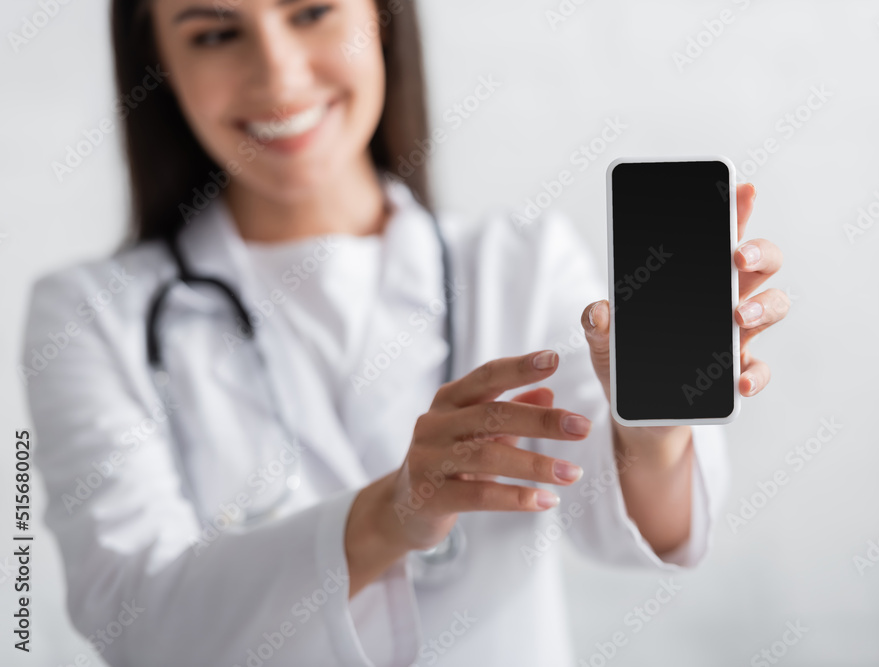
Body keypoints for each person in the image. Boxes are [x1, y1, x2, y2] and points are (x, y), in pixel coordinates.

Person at [20, 0, 789, 665]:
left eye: (312, 11)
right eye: (215, 34)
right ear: (158, 60)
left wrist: (653, 427)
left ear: (382, 17)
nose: (279, 76)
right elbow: (135, 622)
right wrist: (388, 515)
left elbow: (642, 528)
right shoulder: (87, 315)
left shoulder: (521, 264)